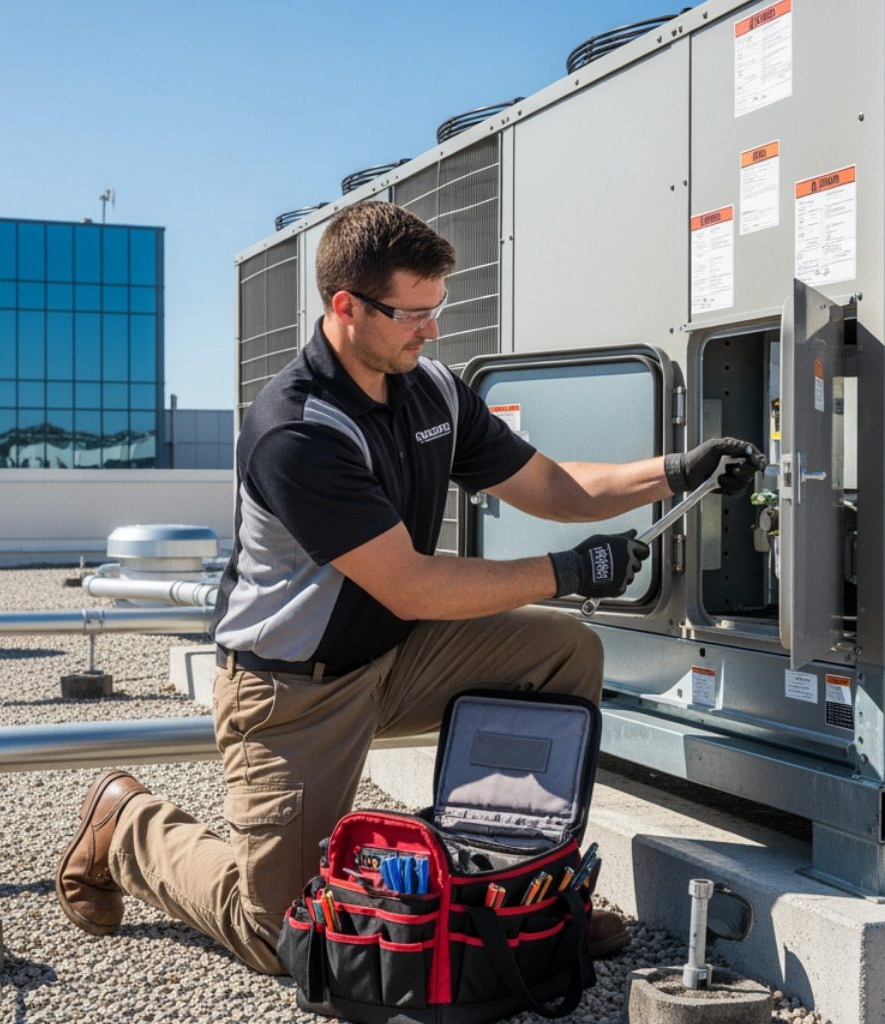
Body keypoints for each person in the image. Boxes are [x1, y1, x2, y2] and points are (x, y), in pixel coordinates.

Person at [54, 201, 761, 976]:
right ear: (345, 307)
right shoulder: (299, 429)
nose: (430, 332)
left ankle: (520, 891)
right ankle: (125, 825)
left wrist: (672, 472)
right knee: (285, 937)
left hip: (397, 657)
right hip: (294, 692)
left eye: (437, 312)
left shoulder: (432, 391)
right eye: (411, 315)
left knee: (561, 652)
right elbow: (411, 584)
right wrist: (568, 571)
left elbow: (552, 485)